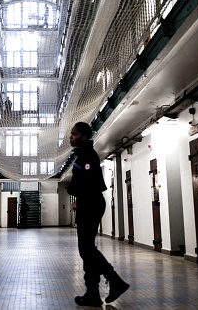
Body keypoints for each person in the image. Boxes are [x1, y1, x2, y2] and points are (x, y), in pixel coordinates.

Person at [66, 122, 130, 306]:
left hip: (91, 203)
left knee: (86, 249)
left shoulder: (87, 156)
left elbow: (87, 182)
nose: (71, 137)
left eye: (75, 134)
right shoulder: (83, 154)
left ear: (84, 136)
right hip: (88, 202)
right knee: (86, 250)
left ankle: (115, 280)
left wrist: (73, 190)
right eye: (71, 134)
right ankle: (92, 293)